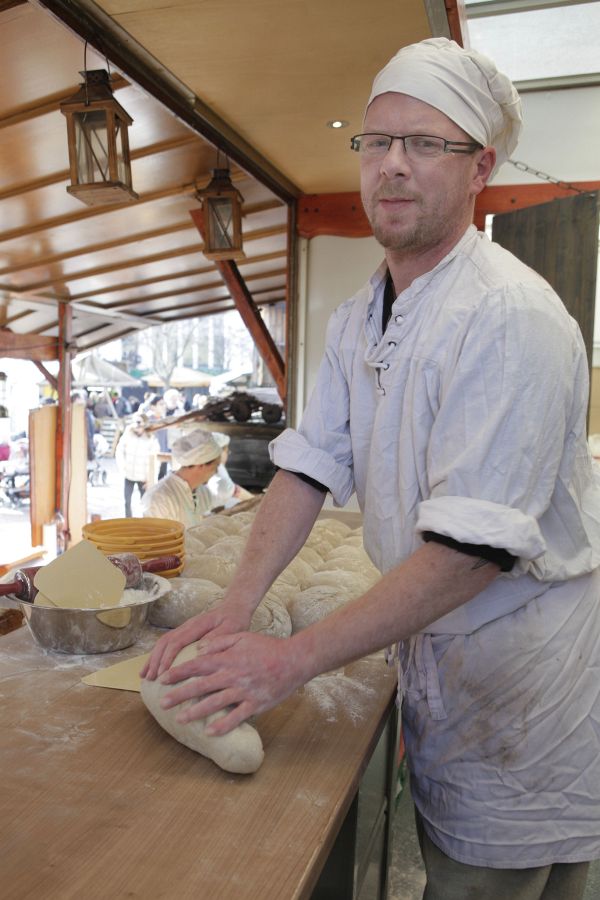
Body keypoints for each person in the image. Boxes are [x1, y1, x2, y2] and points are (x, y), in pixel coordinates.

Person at [142, 38, 600, 899]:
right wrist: (236, 609)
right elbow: (307, 468)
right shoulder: (361, 317)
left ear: (480, 168)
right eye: (378, 140)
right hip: (438, 644)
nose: (392, 164)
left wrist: (289, 660)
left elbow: (470, 553)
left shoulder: (509, 318)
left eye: (425, 143)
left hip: (519, 675)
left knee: (491, 880)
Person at [141, 429, 222, 525]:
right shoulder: (159, 498)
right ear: (201, 465)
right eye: (215, 466)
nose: (216, 472)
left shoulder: (203, 492)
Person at [114, 413, 159, 517]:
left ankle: (145, 522)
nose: (137, 425)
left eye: (139, 422)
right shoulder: (128, 434)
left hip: (143, 477)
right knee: (127, 501)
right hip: (128, 474)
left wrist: (150, 478)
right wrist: (123, 466)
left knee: (145, 502)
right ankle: (128, 521)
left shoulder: (151, 438)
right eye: (135, 422)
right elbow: (119, 450)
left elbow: (155, 460)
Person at [207, 432, 254, 508]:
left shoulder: (218, 468)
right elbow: (228, 488)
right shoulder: (217, 471)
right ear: (220, 452)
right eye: (227, 452)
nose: (227, 455)